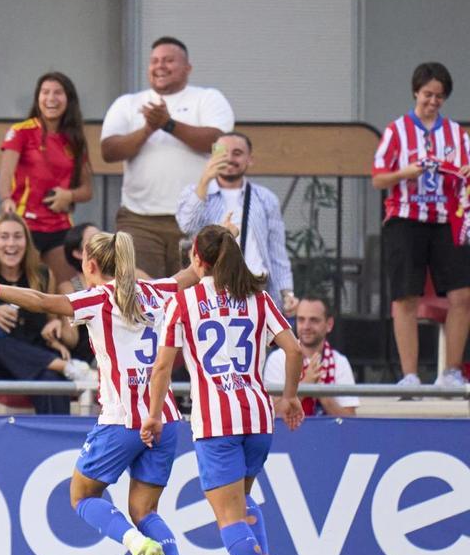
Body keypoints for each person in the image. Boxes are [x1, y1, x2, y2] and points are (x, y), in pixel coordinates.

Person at [0, 231, 200, 555]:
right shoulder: (155, 292)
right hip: (165, 418)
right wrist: (217, 247)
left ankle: (138, 547)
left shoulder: (99, 298)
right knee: (145, 511)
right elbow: (190, 274)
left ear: (89, 266)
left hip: (123, 419)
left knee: (82, 496)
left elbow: (40, 300)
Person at [142, 224, 305, 555]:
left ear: (197, 260)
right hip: (257, 417)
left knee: (227, 517)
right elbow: (295, 350)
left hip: (217, 423)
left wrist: (153, 414)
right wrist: (290, 396)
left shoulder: (183, 303)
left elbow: (163, 365)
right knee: (242, 500)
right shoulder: (259, 299)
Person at [371, 62, 470, 389]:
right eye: (428, 94)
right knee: (405, 296)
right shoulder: (397, 130)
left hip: (446, 219)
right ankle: (410, 376)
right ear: (416, 91)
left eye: (440, 96)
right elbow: (378, 179)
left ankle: (451, 373)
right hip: (405, 219)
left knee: (462, 294)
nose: (433, 101)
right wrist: (405, 173)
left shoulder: (456, 133)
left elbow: (466, 171)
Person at [101, 37, 234, 277]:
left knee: (195, 293)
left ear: (188, 68)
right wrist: (148, 129)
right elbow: (108, 151)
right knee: (141, 293)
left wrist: (168, 124)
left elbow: (218, 142)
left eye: (169, 60)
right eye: (154, 61)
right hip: (139, 219)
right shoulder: (128, 103)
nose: (160, 66)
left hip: (197, 217)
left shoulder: (208, 98)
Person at [0, 213, 81, 415]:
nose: (11, 243)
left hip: (33, 352)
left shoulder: (44, 274)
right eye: (4, 237)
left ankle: (55, 441)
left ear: (27, 242)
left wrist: (55, 326)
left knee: (51, 382)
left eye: (18, 236)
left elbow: (51, 320)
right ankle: (59, 365)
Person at [176, 132, 297, 314]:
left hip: (252, 284)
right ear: (213, 156)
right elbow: (187, 226)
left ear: (250, 159)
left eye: (237, 153)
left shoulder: (265, 198)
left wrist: (286, 293)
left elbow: (276, 251)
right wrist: (205, 181)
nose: (230, 159)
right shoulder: (195, 192)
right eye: (223, 153)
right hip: (208, 285)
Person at [0, 72, 94, 286]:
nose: (51, 98)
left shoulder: (75, 139)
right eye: (45, 92)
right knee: (24, 289)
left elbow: (88, 190)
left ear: (68, 99)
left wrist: (68, 195)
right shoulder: (21, 131)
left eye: (58, 93)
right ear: (37, 97)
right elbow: (5, 175)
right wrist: (6, 200)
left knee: (69, 287)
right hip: (25, 224)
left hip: (60, 227)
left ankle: (68, 322)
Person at [264, 297, 359, 416]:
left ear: (329, 324)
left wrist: (322, 393)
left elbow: (350, 421)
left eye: (314, 320)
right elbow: (272, 415)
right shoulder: (277, 359)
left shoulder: (340, 362)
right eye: (301, 320)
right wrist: (305, 386)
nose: (306, 326)